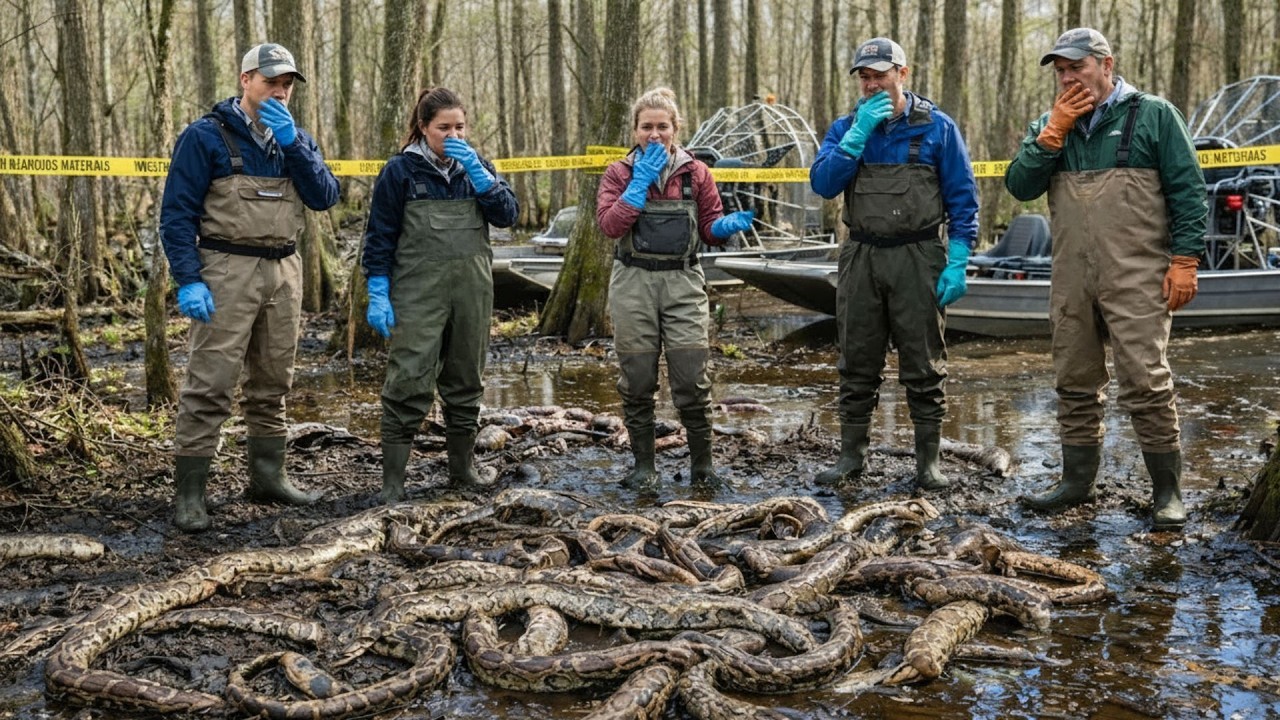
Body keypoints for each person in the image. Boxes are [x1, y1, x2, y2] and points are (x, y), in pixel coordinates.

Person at [1005, 28, 1206, 531]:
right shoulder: (1052, 124)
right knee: (1074, 380)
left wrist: (1185, 260)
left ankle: (1168, 493)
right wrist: (1051, 134)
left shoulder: (1154, 115)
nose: (1069, 78)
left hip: (1137, 274)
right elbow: (1019, 185)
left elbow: (1188, 190)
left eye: (1078, 67)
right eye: (1061, 71)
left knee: (1146, 380)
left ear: (1106, 65)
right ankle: (1076, 483)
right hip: (1071, 276)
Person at [161, 43, 340, 533]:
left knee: (273, 383)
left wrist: (297, 146)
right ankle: (191, 495)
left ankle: (268, 478)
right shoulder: (205, 137)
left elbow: (325, 197)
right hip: (225, 269)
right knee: (210, 383)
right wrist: (189, 279)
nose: (280, 92)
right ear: (246, 81)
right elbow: (175, 215)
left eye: (286, 85)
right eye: (270, 83)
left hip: (284, 271)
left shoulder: (296, 138)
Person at [809, 37, 979, 492]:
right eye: (864, 76)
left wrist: (959, 259)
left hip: (919, 256)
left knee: (924, 363)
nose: (870, 84)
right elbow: (824, 184)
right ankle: (851, 458)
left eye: (879, 75)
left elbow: (964, 199)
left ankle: (929, 465)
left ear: (902, 74)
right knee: (857, 360)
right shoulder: (845, 127)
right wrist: (856, 137)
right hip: (861, 254)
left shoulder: (938, 128)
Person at [362, 87, 518, 503]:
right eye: (443, 128)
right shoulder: (400, 172)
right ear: (423, 128)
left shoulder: (477, 166)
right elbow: (379, 236)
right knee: (409, 379)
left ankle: (462, 471)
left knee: (466, 378)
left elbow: (508, 216)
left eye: (460, 127)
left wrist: (485, 181)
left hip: (472, 290)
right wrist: (377, 288)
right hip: (417, 291)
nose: (453, 136)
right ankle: (393, 482)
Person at [597, 87, 755, 495]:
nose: (654, 134)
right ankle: (644, 468)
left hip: (683, 281)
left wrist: (723, 228)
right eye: (646, 127)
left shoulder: (696, 172)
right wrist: (639, 184)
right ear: (634, 130)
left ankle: (703, 467)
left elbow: (709, 226)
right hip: (633, 282)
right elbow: (611, 226)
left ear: (675, 129)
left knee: (691, 378)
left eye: (662, 127)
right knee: (637, 378)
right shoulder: (618, 172)